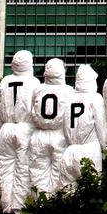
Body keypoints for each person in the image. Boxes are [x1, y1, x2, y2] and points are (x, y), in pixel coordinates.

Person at [0, 50, 40, 213]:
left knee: (5, 168)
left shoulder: (5, 81)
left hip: (6, 128)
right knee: (23, 167)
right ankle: (18, 207)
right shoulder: (34, 82)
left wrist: (1, 128)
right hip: (25, 128)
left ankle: (6, 205)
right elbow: (36, 110)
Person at [29, 58, 74, 193]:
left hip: (39, 134)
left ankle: (38, 206)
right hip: (59, 135)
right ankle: (54, 206)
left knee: (37, 174)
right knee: (59, 174)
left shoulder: (38, 89)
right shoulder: (69, 91)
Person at [61, 63, 107, 184]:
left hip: (70, 150)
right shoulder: (95, 98)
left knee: (68, 192)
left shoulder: (69, 98)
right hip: (90, 150)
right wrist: (105, 149)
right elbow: (101, 127)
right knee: (91, 190)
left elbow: (65, 125)